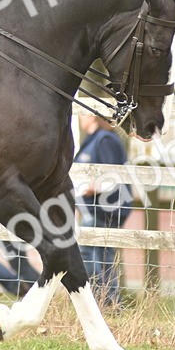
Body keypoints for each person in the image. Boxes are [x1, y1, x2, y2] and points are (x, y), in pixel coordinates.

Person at [73, 114, 133, 307]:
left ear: (93, 116)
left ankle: (106, 301)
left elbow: (113, 175)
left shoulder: (106, 139)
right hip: (92, 208)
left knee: (92, 253)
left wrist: (92, 188)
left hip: (105, 209)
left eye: (84, 113)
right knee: (99, 255)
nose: (81, 117)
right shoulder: (92, 139)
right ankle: (107, 302)